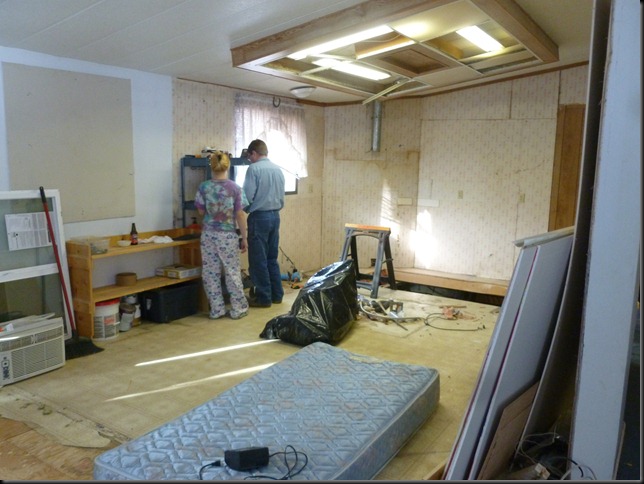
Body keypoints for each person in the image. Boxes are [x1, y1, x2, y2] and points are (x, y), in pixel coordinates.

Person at [194, 150, 249, 320]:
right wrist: (244, 237)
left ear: (211, 166)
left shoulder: (204, 187)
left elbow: (200, 211)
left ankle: (217, 309)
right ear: (228, 166)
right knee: (232, 272)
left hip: (208, 235)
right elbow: (240, 214)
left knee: (210, 273)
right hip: (227, 236)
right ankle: (238, 308)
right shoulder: (235, 188)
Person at [243, 139, 285, 307]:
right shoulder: (278, 169)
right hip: (275, 216)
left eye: (249, 157)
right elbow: (281, 196)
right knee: (271, 258)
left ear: (253, 153)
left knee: (258, 260)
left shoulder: (254, 169)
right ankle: (277, 295)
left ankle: (263, 298)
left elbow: (247, 197)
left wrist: (243, 210)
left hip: (259, 217)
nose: (249, 160)